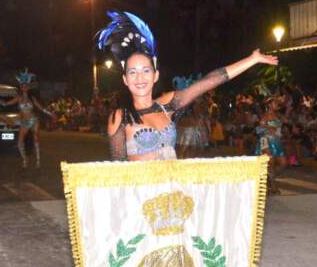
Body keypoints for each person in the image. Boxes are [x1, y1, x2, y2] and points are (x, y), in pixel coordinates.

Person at [98, 11, 277, 162]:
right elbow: (117, 171)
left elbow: (210, 80)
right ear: (125, 79)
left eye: (146, 70)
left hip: (175, 194)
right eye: (132, 72)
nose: (139, 77)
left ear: (155, 75)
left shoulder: (167, 105)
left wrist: (252, 60)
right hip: (143, 199)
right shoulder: (121, 116)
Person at [0, 70, 53, 169]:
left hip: (34, 120)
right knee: (20, 142)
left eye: (26, 85)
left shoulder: (32, 98)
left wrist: (50, 114)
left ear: (28, 87)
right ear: (21, 87)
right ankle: (25, 160)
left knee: (36, 138)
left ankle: (38, 161)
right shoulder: (18, 98)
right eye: (23, 85)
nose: (25, 87)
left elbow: (40, 108)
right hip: (24, 122)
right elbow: (6, 104)